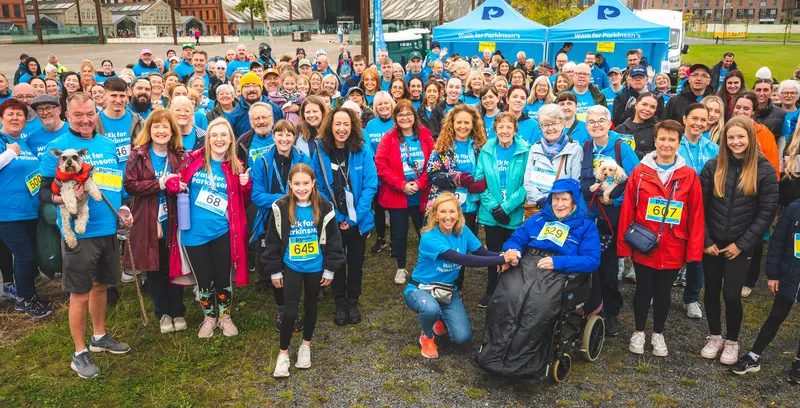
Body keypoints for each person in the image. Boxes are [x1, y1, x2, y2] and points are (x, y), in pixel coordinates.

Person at [39, 92, 133, 378]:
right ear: (68, 115)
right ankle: (79, 353)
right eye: (78, 114)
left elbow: (116, 184)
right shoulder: (57, 147)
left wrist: (124, 208)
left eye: (89, 113)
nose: (85, 119)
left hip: (108, 228)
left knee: (102, 286)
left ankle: (99, 336)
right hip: (81, 234)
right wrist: (65, 200)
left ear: (96, 112)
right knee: (79, 293)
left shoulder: (105, 144)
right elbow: (43, 192)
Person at [618, 119, 705, 356]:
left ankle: (658, 333)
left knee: (664, 292)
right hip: (644, 244)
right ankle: (638, 331)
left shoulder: (689, 176)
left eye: (672, 140)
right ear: (655, 140)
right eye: (662, 139)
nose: (666, 144)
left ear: (679, 142)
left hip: (675, 245)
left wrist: (694, 253)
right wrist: (624, 248)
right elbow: (628, 209)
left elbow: (696, 215)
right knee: (643, 289)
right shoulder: (640, 172)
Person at [698, 117, 778, 366]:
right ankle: (714, 335)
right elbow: (699, 207)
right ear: (725, 140)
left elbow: (766, 213)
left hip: (740, 245)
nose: (736, 142)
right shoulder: (713, 166)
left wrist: (742, 244)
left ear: (750, 138)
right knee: (710, 291)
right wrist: (706, 239)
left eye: (740, 137)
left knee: (731, 294)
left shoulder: (764, 170)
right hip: (712, 244)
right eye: (731, 137)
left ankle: (732, 340)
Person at [166, 118, 252, 338]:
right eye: (214, 135)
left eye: (224, 135)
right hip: (193, 232)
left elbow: (243, 202)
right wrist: (173, 184)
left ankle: (225, 317)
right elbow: (174, 182)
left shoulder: (236, 166)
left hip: (223, 231)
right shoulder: (192, 161)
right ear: (208, 138)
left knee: (223, 277)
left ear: (231, 139)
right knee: (203, 279)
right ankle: (209, 317)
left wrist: (245, 186)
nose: (219, 139)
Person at [406, 192, 517, 358]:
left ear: (458, 213)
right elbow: (464, 259)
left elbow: (482, 252)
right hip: (421, 289)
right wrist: (501, 258)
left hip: (447, 291)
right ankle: (427, 336)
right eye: (442, 212)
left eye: (452, 211)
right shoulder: (429, 237)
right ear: (435, 214)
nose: (448, 216)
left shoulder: (463, 231)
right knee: (430, 309)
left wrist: (503, 256)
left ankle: (439, 318)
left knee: (462, 338)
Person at [262, 162, 343, 377]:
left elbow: (334, 240)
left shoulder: (325, 207)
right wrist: (274, 270)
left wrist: (330, 269)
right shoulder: (280, 207)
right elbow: (272, 240)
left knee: (311, 307)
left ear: (313, 183)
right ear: (289, 184)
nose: (301, 188)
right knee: (289, 311)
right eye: (296, 184)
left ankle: (305, 346)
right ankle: (283, 354)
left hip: (315, 267)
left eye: (305, 183)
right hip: (292, 266)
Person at [311, 107, 378, 325]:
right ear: (330, 126)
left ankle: (353, 301)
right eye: (337, 124)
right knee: (336, 261)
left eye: (346, 124)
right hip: (333, 218)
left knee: (356, 262)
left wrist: (355, 217)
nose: (342, 129)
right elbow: (318, 186)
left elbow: (370, 184)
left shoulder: (362, 149)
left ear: (353, 127)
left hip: (358, 220)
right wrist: (338, 216)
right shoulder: (320, 151)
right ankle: (339, 301)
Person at [124, 109, 187, 334]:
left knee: (174, 265)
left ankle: (178, 310)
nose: (161, 131)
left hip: (174, 216)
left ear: (172, 131)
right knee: (154, 266)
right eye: (156, 126)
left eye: (165, 127)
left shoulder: (179, 155)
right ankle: (163, 313)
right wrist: (159, 184)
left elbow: (187, 182)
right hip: (149, 217)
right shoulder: (138, 154)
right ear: (149, 130)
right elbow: (130, 185)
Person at [579, 105, 640, 337]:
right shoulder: (585, 147)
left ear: (609, 122)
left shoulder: (620, 147)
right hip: (588, 218)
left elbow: (634, 182)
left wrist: (615, 202)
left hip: (611, 219)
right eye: (591, 121)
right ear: (586, 126)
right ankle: (590, 307)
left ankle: (612, 312)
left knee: (608, 269)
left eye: (600, 120)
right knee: (587, 265)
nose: (596, 125)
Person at [729, 185, 800, 382]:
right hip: (790, 275)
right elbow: (777, 243)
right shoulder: (794, 210)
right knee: (776, 315)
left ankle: (798, 362)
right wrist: (773, 274)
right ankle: (754, 355)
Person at [0, 98, 52, 318]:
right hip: (7, 213)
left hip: (30, 210)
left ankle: (29, 295)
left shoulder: (26, 141)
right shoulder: (4, 141)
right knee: (25, 257)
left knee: (31, 256)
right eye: (10, 114)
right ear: (1, 118)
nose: (15, 118)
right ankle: (25, 300)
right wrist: (10, 152)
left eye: (19, 114)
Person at [375, 100, 434, 285]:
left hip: (422, 195)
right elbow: (381, 165)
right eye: (401, 115)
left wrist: (420, 182)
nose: (405, 118)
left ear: (414, 116)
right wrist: (401, 185)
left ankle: (427, 266)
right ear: (396, 118)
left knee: (425, 233)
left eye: (408, 114)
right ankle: (401, 267)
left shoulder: (425, 135)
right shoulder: (388, 137)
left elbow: (434, 162)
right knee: (399, 234)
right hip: (397, 196)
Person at [475, 113, 530, 307]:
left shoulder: (525, 151)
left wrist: (506, 207)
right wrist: (493, 207)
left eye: (509, 127)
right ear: (495, 130)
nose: (505, 131)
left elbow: (527, 183)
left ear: (515, 130)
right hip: (491, 214)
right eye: (501, 127)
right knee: (493, 253)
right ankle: (492, 289)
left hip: (513, 213)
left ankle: (510, 292)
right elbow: (479, 180)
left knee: (513, 253)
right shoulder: (486, 150)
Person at [523, 104, 582, 211]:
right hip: (537, 206)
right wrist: (541, 199)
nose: (550, 128)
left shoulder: (575, 149)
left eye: (554, 123)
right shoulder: (534, 148)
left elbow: (575, 182)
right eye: (545, 125)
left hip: (563, 208)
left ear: (562, 124)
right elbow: (528, 181)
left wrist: (555, 202)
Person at [96, 78, 144, 170]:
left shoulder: (138, 121)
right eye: (113, 95)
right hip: (105, 180)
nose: (118, 100)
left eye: (122, 96)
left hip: (133, 180)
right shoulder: (94, 122)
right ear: (104, 95)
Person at [732, 92, 780, 180]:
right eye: (738, 107)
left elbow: (773, 170)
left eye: (746, 108)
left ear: (753, 111)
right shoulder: (725, 131)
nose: (740, 111)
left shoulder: (764, 133)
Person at [229, 72, 283, 138]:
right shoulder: (234, 115)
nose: (251, 89)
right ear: (241, 90)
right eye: (247, 86)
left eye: (255, 85)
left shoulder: (275, 109)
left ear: (261, 88)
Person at [614, 92, 659, 159]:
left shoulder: (658, 130)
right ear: (636, 105)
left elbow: (659, 153)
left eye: (652, 107)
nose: (647, 109)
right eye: (644, 104)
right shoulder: (621, 129)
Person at [27, 95, 70, 159]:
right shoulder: (32, 138)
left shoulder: (73, 130)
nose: (45, 113)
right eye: (40, 109)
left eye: (49, 108)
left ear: (59, 110)